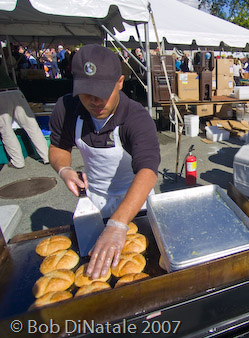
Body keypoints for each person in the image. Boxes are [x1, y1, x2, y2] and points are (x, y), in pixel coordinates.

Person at [49, 44, 160, 279]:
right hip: (95, 200)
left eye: (103, 91)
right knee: (94, 267)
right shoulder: (67, 109)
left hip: (136, 203)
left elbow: (148, 171)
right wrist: (65, 169)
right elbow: (58, 147)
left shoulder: (136, 117)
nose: (95, 100)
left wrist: (118, 225)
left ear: (120, 82)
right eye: (87, 91)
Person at [0, 67, 49, 168]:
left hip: (1, 94)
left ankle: (18, 162)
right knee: (31, 125)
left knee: (6, 130)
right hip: (16, 91)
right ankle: (47, 156)